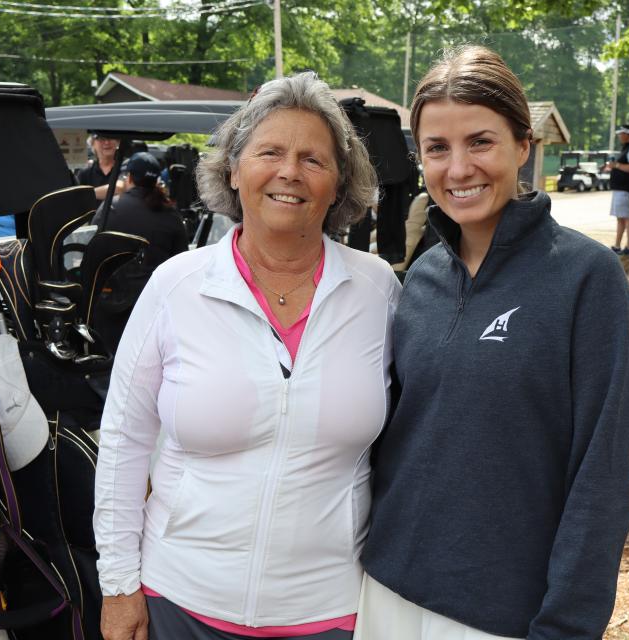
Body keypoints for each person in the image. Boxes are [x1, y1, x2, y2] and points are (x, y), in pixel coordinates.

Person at [93, 71, 399, 640]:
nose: (289, 172)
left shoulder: (378, 291)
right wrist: (118, 585)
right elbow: (123, 442)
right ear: (234, 170)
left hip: (329, 611)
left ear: (339, 184)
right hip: (177, 602)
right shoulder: (176, 285)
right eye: (270, 152)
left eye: (314, 159)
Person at [357, 46, 629, 640]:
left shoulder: (586, 277)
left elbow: (603, 473)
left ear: (523, 146)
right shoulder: (420, 280)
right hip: (384, 592)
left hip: (505, 615)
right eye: (437, 148)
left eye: (480, 142)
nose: (458, 168)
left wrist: (566, 625)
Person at [90, 151, 189, 353]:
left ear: (129, 178)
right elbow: (181, 262)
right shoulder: (171, 214)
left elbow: (92, 253)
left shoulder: (111, 208)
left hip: (111, 307)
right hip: (155, 307)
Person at [606, 124, 629, 255]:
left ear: (628, 134)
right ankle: (617, 246)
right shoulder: (628, 148)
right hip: (620, 189)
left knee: (626, 217)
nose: (619, 136)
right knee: (620, 217)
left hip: (626, 189)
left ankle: (628, 247)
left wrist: (616, 165)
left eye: (621, 134)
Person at [76, 133, 125, 204]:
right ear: (93, 143)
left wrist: (86, 195)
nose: (107, 142)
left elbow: (120, 187)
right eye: (101, 139)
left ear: (117, 142)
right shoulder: (85, 172)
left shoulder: (125, 166)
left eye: (111, 138)